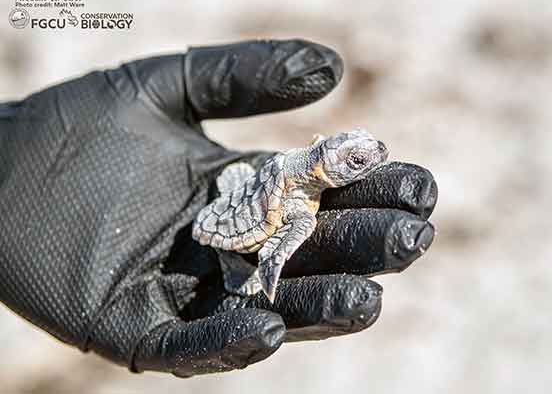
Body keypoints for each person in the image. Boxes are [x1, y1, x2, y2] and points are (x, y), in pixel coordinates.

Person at [0, 39, 437, 377]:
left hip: (240, 190)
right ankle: (232, 267)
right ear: (323, 163)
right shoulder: (300, 207)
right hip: (234, 224)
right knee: (267, 251)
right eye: (358, 160)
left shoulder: (294, 163)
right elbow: (278, 243)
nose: (374, 157)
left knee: (241, 178)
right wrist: (264, 268)